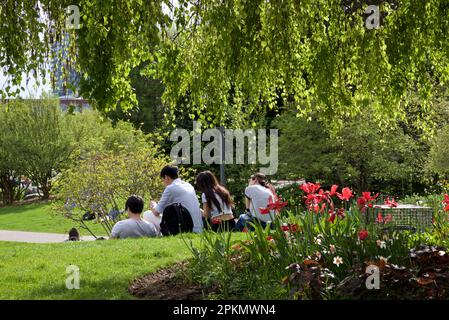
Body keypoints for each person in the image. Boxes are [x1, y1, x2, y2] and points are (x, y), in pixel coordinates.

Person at [149, 165, 203, 233]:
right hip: (199, 228)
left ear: (166, 177)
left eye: (163, 180)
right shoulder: (188, 185)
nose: (163, 183)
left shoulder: (170, 188)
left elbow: (156, 212)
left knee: (147, 214)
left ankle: (157, 236)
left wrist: (153, 205)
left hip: (186, 228)